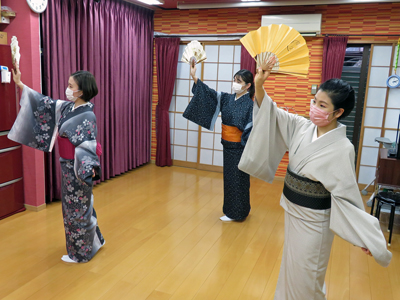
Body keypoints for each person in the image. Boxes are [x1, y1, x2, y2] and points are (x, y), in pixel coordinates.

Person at [238, 58, 392, 299]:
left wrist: (362, 235)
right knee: (290, 268)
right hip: (292, 211)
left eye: (322, 104)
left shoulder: (342, 148)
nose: (314, 108)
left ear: (338, 112)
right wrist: (259, 85)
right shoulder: (302, 127)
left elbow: (347, 196)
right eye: (314, 101)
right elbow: (271, 112)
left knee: (307, 276)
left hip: (315, 222)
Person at [8, 64, 105, 263]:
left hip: (77, 168)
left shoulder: (87, 116)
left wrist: (86, 172)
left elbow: (87, 145)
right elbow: (44, 103)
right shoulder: (68, 107)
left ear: (81, 91)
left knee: (76, 209)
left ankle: (80, 254)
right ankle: (94, 241)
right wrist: (20, 84)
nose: (68, 88)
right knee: (80, 207)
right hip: (67, 166)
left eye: (71, 85)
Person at [183, 60, 254, 221]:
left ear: (248, 86)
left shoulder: (250, 104)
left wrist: (247, 146)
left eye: (239, 81)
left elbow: (251, 127)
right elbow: (208, 93)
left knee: (239, 180)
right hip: (227, 146)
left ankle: (239, 212)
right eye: (234, 80)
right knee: (229, 180)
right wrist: (194, 77)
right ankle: (233, 211)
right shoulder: (227, 98)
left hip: (240, 147)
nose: (234, 84)